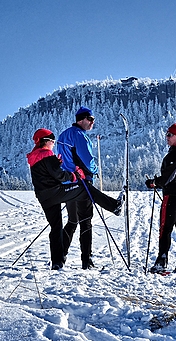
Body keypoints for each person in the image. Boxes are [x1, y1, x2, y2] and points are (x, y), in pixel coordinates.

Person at [26, 128, 122, 270]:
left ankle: (57, 262)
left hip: (44, 198)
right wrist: (74, 175)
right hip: (57, 192)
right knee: (86, 190)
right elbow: (59, 176)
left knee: (56, 227)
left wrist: (55, 164)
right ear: (45, 141)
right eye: (52, 141)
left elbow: (47, 173)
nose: (53, 143)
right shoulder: (47, 154)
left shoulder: (34, 157)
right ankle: (114, 206)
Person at [145, 123, 176, 273]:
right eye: (166, 134)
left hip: (173, 196)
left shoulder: (175, 155)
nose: (166, 137)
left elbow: (168, 177)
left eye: (170, 135)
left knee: (165, 229)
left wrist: (154, 183)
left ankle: (161, 262)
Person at [57, 107, 101, 270]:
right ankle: (86, 260)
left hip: (68, 183)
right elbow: (87, 159)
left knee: (72, 220)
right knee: (85, 221)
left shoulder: (63, 135)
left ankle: (60, 257)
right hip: (82, 182)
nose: (92, 122)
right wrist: (94, 171)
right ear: (81, 119)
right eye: (90, 119)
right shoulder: (80, 136)